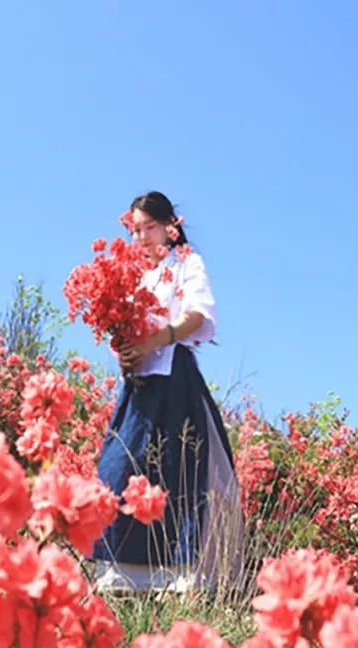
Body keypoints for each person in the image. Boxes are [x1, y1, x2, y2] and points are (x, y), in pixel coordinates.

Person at [90, 191, 245, 593]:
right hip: (139, 382)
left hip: (174, 377)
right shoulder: (133, 273)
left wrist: (154, 341)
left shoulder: (186, 263)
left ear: (170, 226)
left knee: (179, 470)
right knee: (120, 466)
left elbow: (198, 315)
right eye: (136, 229)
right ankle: (121, 571)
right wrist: (126, 352)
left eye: (150, 228)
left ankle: (182, 574)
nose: (141, 237)